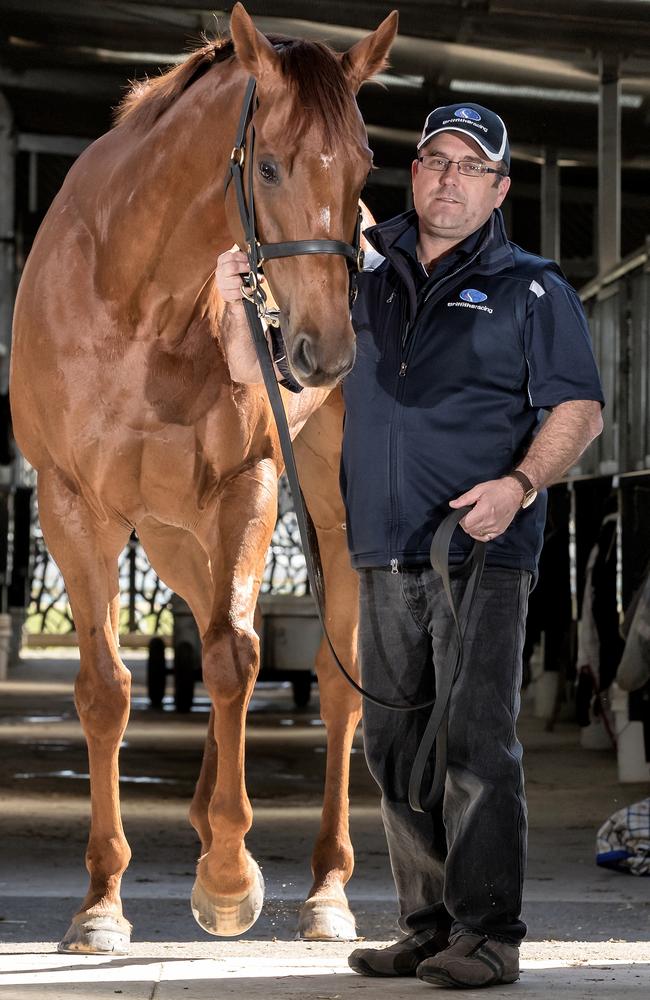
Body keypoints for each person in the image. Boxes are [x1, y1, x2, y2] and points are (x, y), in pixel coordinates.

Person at [215, 102, 604, 990]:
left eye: (471, 167)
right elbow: (260, 371)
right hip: (383, 551)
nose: (449, 179)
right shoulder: (366, 276)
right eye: (436, 161)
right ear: (413, 175)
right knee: (394, 749)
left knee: (472, 746)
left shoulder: (532, 289)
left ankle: (490, 934)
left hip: (477, 552)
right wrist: (238, 297)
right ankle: (426, 928)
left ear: (500, 188)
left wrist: (518, 485)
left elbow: (577, 408)